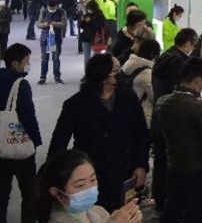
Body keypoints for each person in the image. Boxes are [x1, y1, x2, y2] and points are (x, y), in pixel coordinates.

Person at [48, 54, 150, 211]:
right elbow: (59, 141)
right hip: (91, 174)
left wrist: (141, 165)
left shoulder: (129, 98)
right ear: (102, 75)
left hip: (125, 171)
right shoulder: (76, 104)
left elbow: (141, 134)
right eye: (115, 71)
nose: (121, 74)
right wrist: (56, 176)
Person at [154, 56, 202, 223]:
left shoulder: (163, 102)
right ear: (197, 80)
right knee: (196, 214)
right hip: (200, 168)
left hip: (174, 164)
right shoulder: (199, 107)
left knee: (173, 208)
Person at [0, 43, 42, 223]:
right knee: (29, 193)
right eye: (26, 61)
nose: (28, 64)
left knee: (1, 193)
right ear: (15, 64)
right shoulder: (20, 85)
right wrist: (36, 140)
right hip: (20, 149)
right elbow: (28, 116)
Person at [150, 28, 199, 217]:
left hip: (159, 113)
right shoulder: (179, 63)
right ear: (187, 43)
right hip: (173, 118)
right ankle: (171, 206)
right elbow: (181, 90)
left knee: (161, 160)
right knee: (173, 163)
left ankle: (160, 202)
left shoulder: (165, 57)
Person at [33, 149, 143, 223]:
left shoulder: (98, 211)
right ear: (56, 192)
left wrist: (133, 221)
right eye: (80, 185)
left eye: (93, 180)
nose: (90, 188)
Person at [120, 39, 160, 127]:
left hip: (126, 111)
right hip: (142, 116)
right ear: (153, 54)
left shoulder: (129, 63)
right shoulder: (146, 73)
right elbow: (155, 98)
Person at [37, 0, 67, 85]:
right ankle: (42, 77)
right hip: (45, 38)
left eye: (53, 8)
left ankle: (57, 77)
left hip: (56, 38)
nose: (51, 10)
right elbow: (38, 24)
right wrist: (44, 24)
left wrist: (54, 23)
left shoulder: (61, 12)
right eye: (50, 8)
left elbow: (64, 24)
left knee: (56, 58)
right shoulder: (44, 12)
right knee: (44, 58)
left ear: (56, 6)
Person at [78, 0, 107, 65]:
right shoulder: (87, 14)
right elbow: (81, 26)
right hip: (86, 37)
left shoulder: (99, 15)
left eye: (90, 9)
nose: (89, 10)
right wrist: (82, 21)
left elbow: (100, 26)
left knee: (97, 57)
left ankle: (96, 70)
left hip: (96, 38)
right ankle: (87, 70)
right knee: (86, 57)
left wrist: (91, 21)